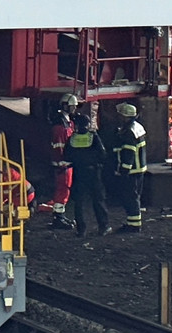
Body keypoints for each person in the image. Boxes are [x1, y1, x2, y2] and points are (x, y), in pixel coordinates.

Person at [64, 114, 112, 237]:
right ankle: (103, 227)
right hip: (94, 173)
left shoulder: (72, 138)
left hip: (78, 173)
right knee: (98, 200)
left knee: (79, 202)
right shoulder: (93, 137)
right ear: (88, 124)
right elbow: (103, 154)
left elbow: (67, 155)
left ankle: (81, 230)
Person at [43, 93, 78, 229]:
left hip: (66, 163)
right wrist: (62, 162)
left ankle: (60, 216)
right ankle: (58, 218)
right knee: (62, 190)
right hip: (63, 165)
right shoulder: (59, 126)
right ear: (65, 106)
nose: (74, 109)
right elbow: (59, 147)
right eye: (72, 106)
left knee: (65, 190)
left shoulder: (67, 122)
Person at [113, 103, 147, 233]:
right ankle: (133, 222)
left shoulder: (128, 132)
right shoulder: (137, 127)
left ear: (124, 116)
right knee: (134, 196)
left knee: (130, 197)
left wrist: (123, 171)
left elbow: (129, 153)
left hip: (132, 171)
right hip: (140, 168)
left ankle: (133, 225)